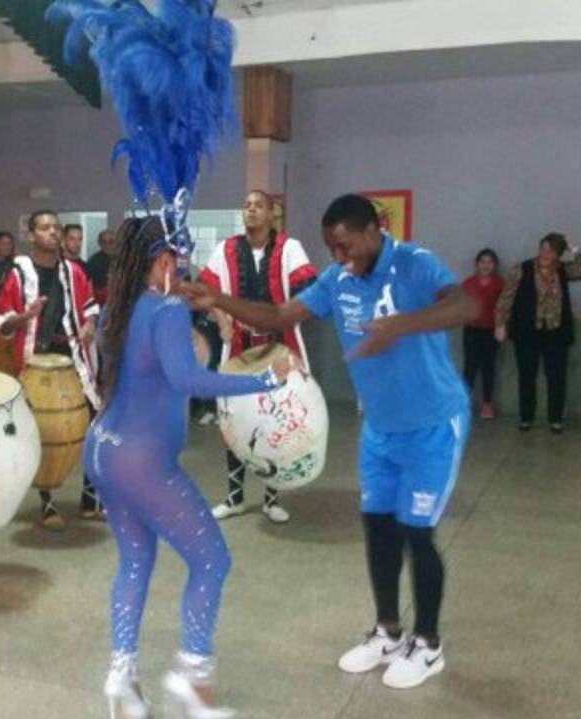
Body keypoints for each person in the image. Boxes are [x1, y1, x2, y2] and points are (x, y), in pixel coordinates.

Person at [184, 193, 476, 690]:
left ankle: (428, 645)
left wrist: (401, 325)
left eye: (346, 246)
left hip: (432, 425)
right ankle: (387, 632)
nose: (340, 258)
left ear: (372, 231)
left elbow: (464, 304)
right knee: (378, 527)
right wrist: (219, 301)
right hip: (381, 428)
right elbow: (278, 317)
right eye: (331, 249)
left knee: (417, 533)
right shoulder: (337, 280)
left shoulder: (413, 262)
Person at [86, 216, 291, 719]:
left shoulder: (118, 307)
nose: (177, 271)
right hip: (142, 462)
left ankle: (121, 677)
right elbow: (186, 378)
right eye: (174, 261)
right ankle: (192, 677)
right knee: (212, 560)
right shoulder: (166, 308)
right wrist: (266, 380)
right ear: (161, 261)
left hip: (103, 450)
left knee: (135, 560)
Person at [199, 189, 316, 524]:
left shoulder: (289, 248)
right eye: (246, 206)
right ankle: (234, 497)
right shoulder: (226, 249)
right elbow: (209, 293)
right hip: (237, 346)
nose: (251, 211)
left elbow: (307, 291)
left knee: (275, 422)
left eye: (258, 206)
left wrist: (285, 317)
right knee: (234, 421)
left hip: (279, 346)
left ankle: (271, 497)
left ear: (271, 213)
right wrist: (223, 323)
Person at [0, 209, 102, 529]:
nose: (53, 233)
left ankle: (89, 500)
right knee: (42, 432)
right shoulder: (18, 274)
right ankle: (46, 503)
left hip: (74, 359)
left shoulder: (74, 271)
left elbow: (89, 307)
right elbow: (2, 322)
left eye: (56, 227)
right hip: (35, 362)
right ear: (31, 236)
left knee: (95, 426)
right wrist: (24, 318)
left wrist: (90, 324)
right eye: (44, 228)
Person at [494, 232, 581, 433]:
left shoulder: (563, 270)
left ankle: (555, 419)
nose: (546, 253)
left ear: (558, 253)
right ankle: (526, 417)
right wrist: (500, 324)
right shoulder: (521, 269)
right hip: (527, 331)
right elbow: (506, 297)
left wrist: (574, 250)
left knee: (557, 376)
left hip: (556, 332)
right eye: (543, 248)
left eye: (552, 250)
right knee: (526, 375)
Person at [461, 248, 505, 419]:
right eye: (482, 262)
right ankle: (463, 405)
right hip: (471, 330)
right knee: (469, 368)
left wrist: (502, 327)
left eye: (490, 262)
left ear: (494, 265)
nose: (486, 265)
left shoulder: (500, 284)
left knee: (488, 368)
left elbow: (504, 308)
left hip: (491, 331)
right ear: (477, 264)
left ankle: (487, 404)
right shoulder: (468, 284)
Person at [86, 228, 117, 307]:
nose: (107, 245)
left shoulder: (124, 259)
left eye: (111, 241)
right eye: (104, 242)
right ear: (99, 243)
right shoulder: (92, 261)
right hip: (101, 304)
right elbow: (89, 288)